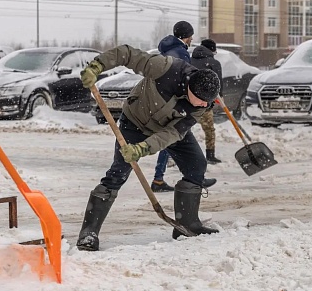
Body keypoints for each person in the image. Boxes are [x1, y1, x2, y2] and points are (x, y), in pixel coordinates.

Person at [76, 44, 221, 251]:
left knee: (196, 164)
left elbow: (171, 134)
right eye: (200, 101)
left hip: (168, 127)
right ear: (191, 87)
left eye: (206, 103)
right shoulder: (166, 68)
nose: (202, 106)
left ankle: (186, 224)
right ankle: (88, 232)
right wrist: (97, 66)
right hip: (135, 122)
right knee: (118, 172)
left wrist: (144, 148)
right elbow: (128, 53)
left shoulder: (202, 105)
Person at [150, 21, 195, 192]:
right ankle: (192, 177)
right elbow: (183, 79)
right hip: (173, 102)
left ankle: (160, 178)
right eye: (191, 35)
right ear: (186, 36)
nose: (192, 39)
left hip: (161, 100)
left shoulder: (167, 50)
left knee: (172, 138)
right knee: (174, 137)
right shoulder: (180, 53)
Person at [191, 38, 223, 164]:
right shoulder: (214, 63)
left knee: (182, 130)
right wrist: (220, 95)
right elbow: (218, 82)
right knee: (209, 130)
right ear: (212, 50)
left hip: (188, 102)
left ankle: (175, 155)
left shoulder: (189, 59)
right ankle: (210, 155)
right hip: (205, 103)